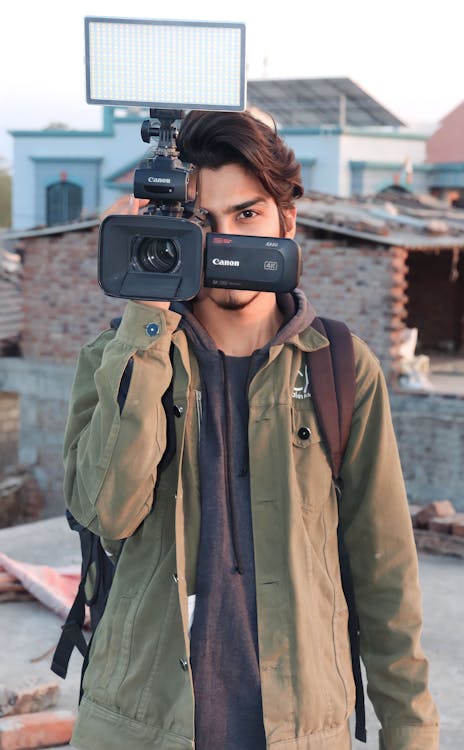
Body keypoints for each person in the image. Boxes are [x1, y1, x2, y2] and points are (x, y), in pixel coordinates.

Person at [63, 109, 439, 750]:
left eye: (248, 215)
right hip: (143, 726)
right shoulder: (119, 356)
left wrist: (411, 733)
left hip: (300, 729)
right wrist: (147, 318)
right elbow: (107, 513)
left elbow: (386, 575)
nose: (226, 243)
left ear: (286, 219)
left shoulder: (341, 365)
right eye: (200, 224)